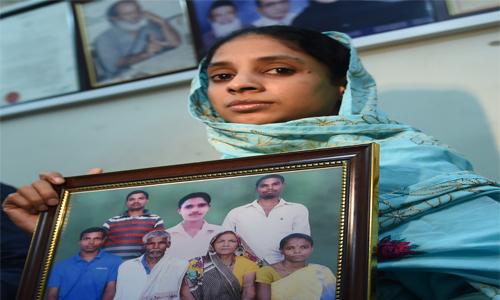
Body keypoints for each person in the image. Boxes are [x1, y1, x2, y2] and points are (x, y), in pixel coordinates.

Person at [4, 26, 499, 299]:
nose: (239, 85)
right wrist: (51, 235)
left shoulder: (414, 161)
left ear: (343, 84)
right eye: (221, 76)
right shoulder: (215, 192)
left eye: (279, 69)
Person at [223, 174, 310, 264]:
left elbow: (302, 241)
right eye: (264, 185)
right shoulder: (237, 212)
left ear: (283, 185)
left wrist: (286, 266)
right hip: (245, 266)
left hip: (285, 266)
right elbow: (224, 241)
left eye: (275, 184)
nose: (270, 188)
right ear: (256, 189)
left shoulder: (298, 209)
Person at [94, 0, 181, 80]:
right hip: (127, 77)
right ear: (114, 18)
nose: (136, 16)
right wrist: (146, 53)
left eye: (138, 11)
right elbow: (113, 65)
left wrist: (163, 22)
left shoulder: (149, 25)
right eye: (128, 14)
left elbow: (175, 43)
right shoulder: (104, 39)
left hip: (161, 66)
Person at [181, 230, 261, 300]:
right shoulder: (197, 264)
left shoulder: (248, 264)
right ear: (213, 244)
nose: (226, 244)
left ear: (238, 245)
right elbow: (185, 293)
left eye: (232, 241)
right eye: (220, 241)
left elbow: (248, 291)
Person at [47, 227, 122, 300]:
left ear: (103, 241)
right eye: (87, 239)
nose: (91, 242)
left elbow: (110, 291)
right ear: (80, 242)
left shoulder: (114, 261)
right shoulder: (61, 266)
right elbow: (52, 294)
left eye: (97, 239)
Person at [255, 233, 335, 300]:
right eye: (290, 248)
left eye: (303, 247)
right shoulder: (267, 271)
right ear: (282, 251)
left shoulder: (320, 271)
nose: (297, 251)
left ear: (311, 249)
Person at [114, 230, 188, 300]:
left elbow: (185, 294)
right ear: (145, 245)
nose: (156, 247)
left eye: (161, 243)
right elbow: (121, 294)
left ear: (168, 244)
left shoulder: (179, 265)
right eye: (151, 243)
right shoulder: (127, 267)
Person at [103, 190, 164, 260]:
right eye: (132, 199)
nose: (136, 201)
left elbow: (159, 242)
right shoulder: (111, 221)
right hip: (113, 263)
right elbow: (100, 241)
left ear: (146, 201)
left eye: (140, 198)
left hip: (141, 262)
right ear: (127, 202)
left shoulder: (155, 219)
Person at [166, 192, 223, 260]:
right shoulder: (166, 236)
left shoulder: (221, 233)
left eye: (201, 205)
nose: (195, 210)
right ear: (179, 211)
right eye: (189, 207)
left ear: (208, 207)